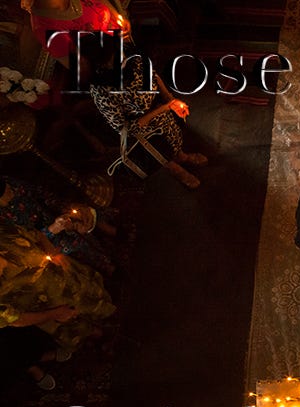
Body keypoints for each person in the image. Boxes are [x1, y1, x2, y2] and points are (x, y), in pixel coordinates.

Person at [88, 44, 207, 189]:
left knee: (174, 138)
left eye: (122, 54)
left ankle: (182, 157)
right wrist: (165, 107)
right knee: (160, 152)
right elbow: (125, 127)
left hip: (160, 112)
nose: (124, 59)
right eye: (117, 60)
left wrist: (169, 98)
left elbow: (154, 76)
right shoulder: (101, 90)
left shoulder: (134, 60)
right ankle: (178, 172)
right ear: (103, 65)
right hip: (143, 129)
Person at [0, 220, 116, 352]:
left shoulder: (3, 232)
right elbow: (14, 319)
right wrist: (53, 314)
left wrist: (51, 250)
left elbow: (35, 235)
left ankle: (115, 317)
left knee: (101, 301)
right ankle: (102, 341)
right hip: (54, 308)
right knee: (84, 330)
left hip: (71, 278)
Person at [0, 177, 114, 276]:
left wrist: (67, 209)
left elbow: (44, 195)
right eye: (5, 193)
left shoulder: (11, 184)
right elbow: (25, 243)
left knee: (85, 235)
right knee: (77, 259)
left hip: (57, 221)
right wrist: (51, 230)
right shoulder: (4, 223)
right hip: (45, 248)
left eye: (8, 188)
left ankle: (111, 261)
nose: (10, 191)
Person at [22, 0, 130, 68]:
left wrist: (118, 16)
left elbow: (101, 2)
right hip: (116, 69)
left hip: (127, 46)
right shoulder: (44, 28)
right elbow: (82, 68)